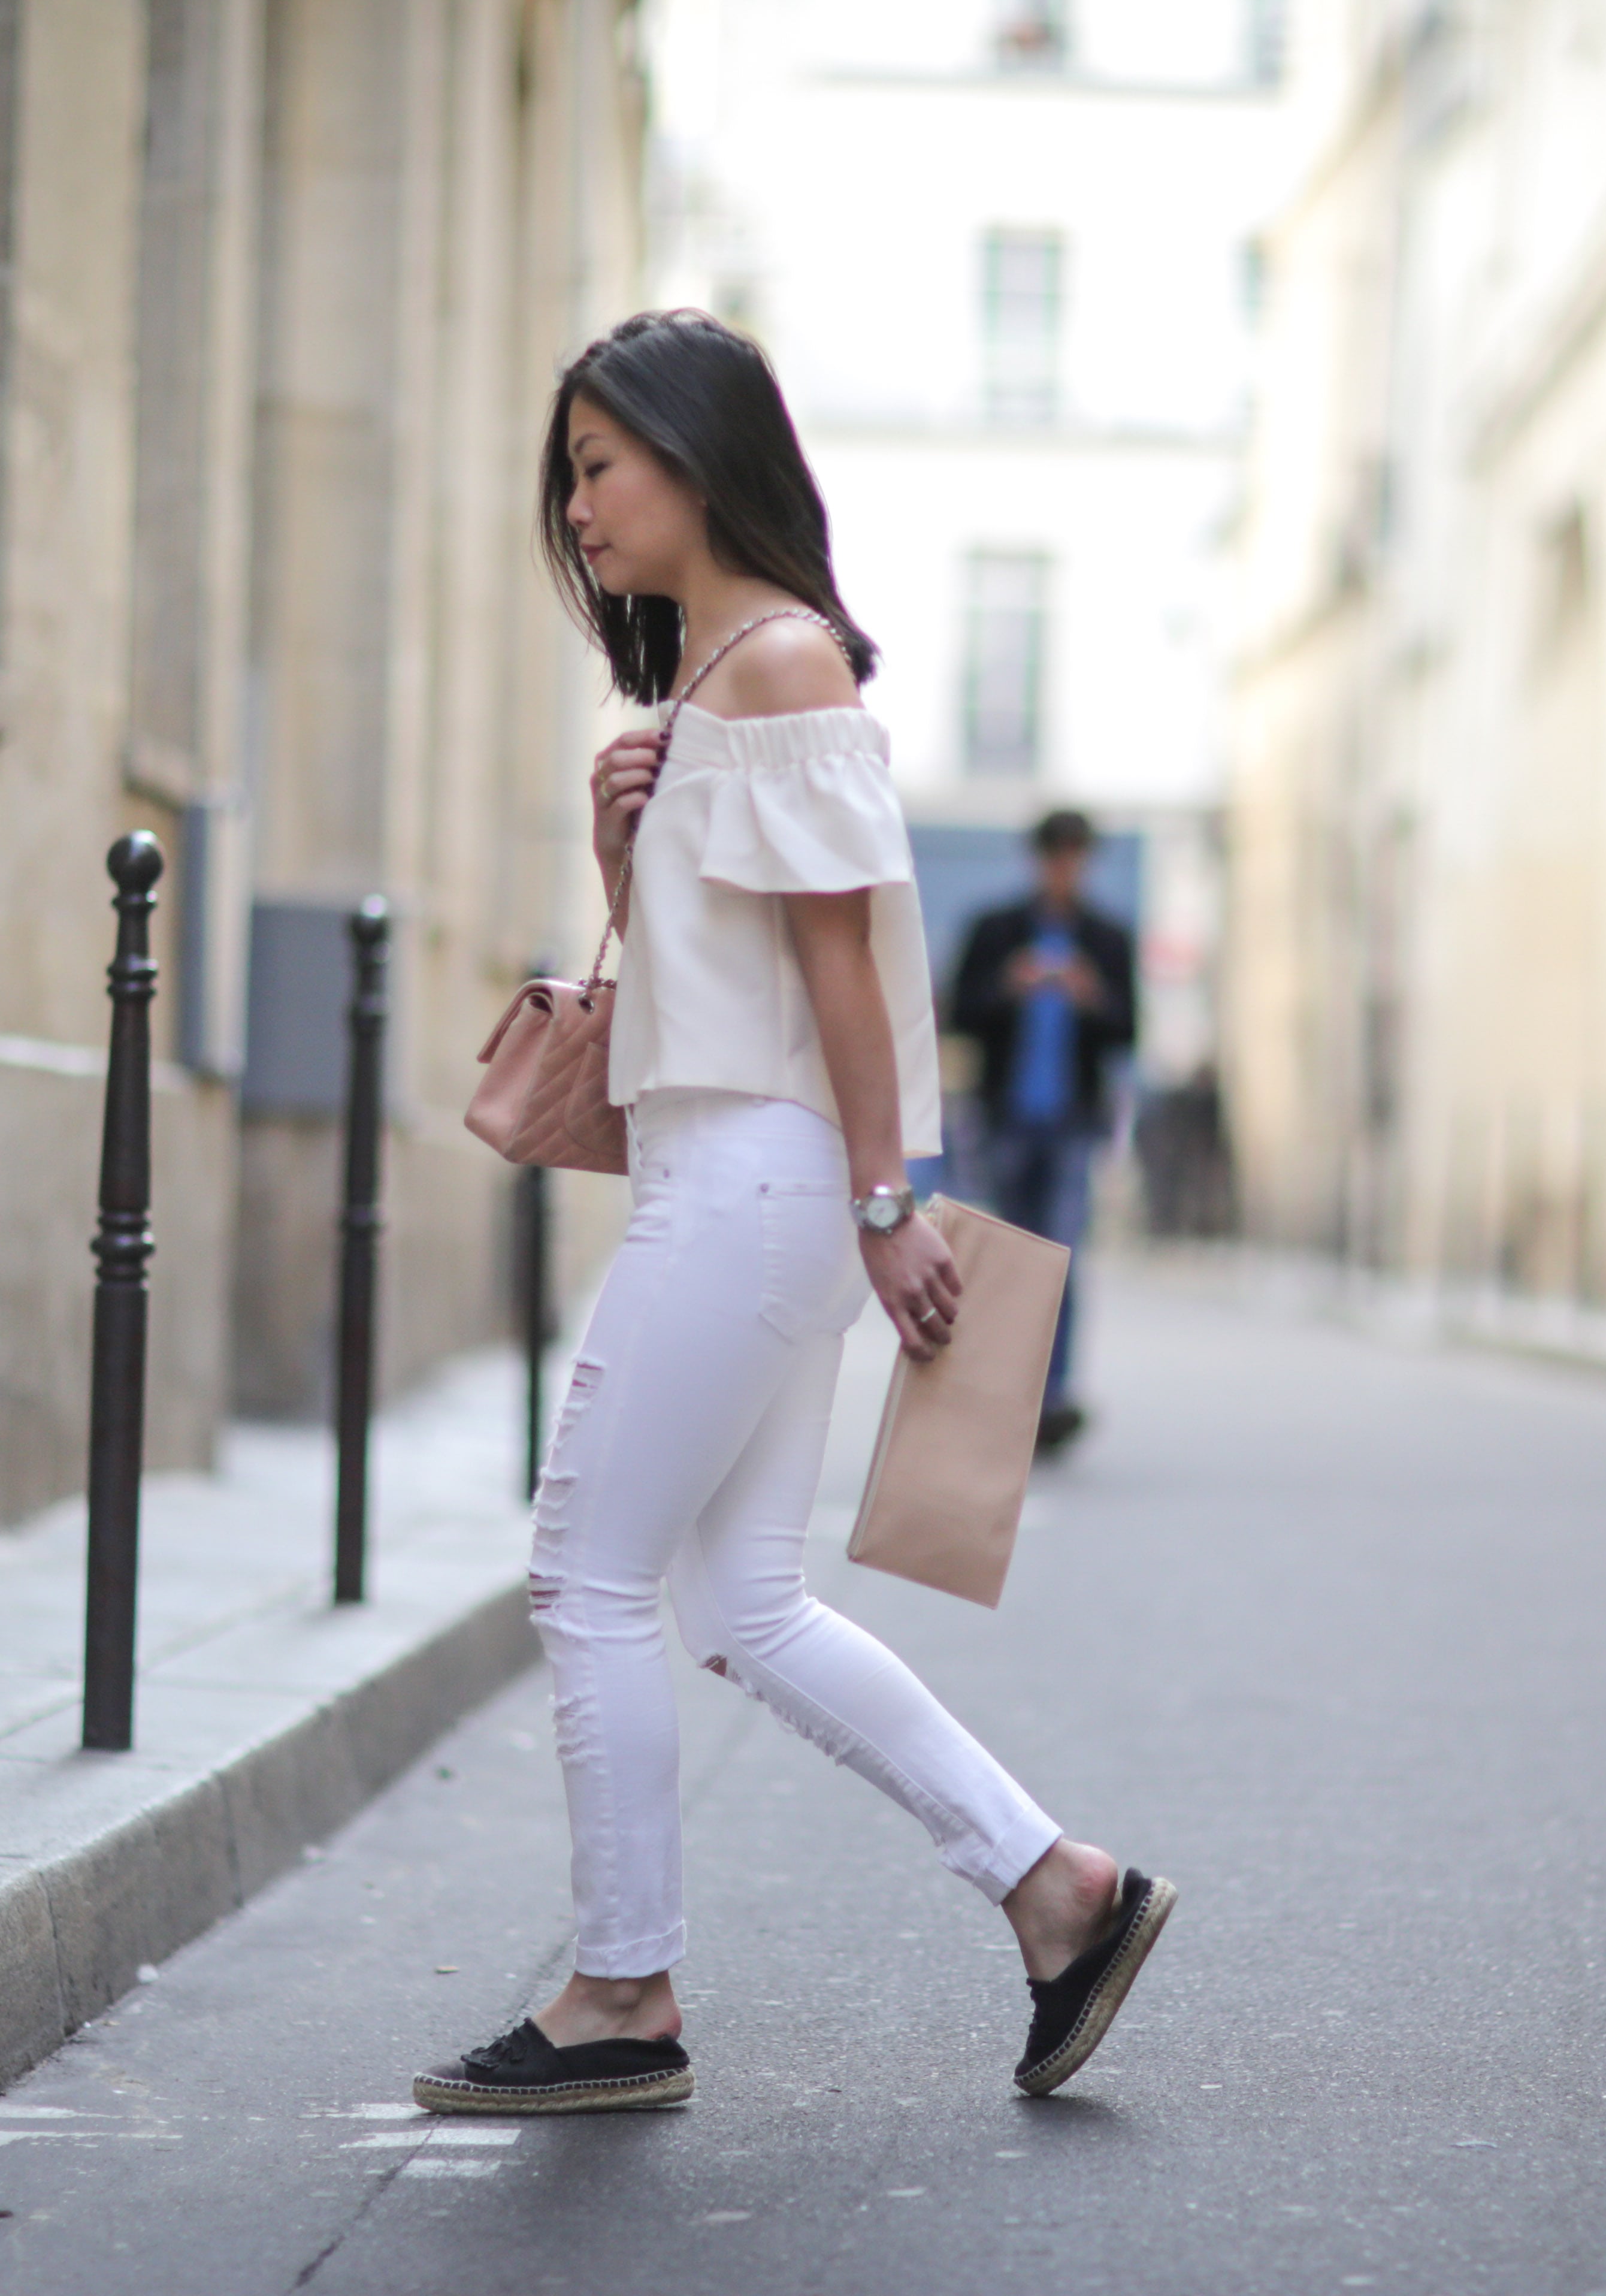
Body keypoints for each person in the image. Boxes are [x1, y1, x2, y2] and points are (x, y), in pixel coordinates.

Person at [413, 311, 1174, 2116]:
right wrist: (625, 857)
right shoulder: (723, 681)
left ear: (700, 458)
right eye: (570, 473)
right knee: (742, 1598)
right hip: (733, 1166)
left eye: (602, 465)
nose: (578, 506)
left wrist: (888, 1198)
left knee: (585, 1574)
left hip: (762, 1176)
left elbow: (844, 965)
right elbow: (734, 962)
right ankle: (1059, 1888)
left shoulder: (776, 666)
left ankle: (621, 1991)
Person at [947, 811, 1138, 1451]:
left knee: (1060, 1257)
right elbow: (960, 1011)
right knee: (1006, 1260)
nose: (1064, 869)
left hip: (1072, 1122)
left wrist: (1091, 996)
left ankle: (1051, 1398)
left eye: (1075, 858)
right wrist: (1009, 987)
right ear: (1037, 861)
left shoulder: (1107, 938)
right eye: (1056, 857)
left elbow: (1128, 1030)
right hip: (1004, 1116)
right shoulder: (997, 930)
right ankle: (1006, 1393)